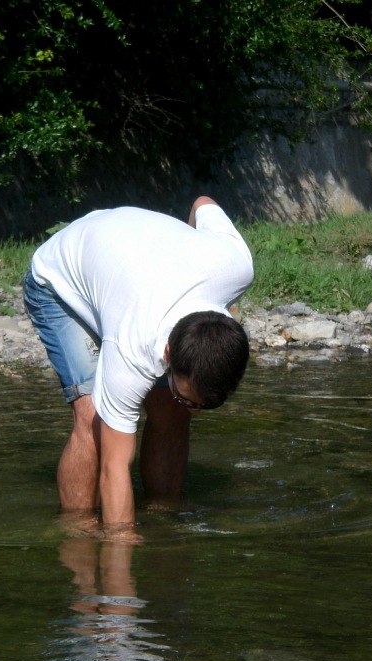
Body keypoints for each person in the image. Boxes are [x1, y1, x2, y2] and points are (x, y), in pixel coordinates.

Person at [23, 196, 254, 535]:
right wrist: (121, 553)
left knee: (171, 409)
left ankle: (164, 518)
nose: (196, 412)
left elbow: (202, 202)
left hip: (132, 274)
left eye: (208, 405)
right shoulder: (132, 347)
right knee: (93, 418)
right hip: (62, 280)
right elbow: (114, 468)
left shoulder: (237, 266)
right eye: (192, 400)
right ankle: (78, 534)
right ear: (168, 353)